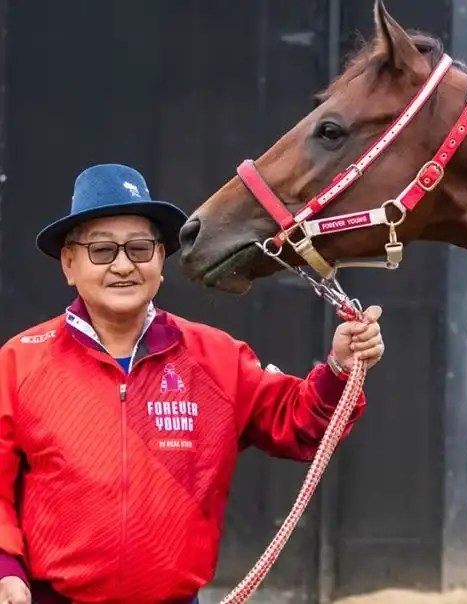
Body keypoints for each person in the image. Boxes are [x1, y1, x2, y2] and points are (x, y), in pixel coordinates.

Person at [0, 164, 385, 604]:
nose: (123, 265)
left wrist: (340, 366)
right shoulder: (22, 360)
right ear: (69, 263)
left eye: (140, 248)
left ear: (161, 260)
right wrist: (5, 568)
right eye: (102, 250)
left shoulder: (213, 358)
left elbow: (299, 423)